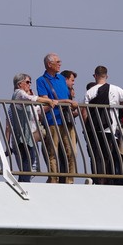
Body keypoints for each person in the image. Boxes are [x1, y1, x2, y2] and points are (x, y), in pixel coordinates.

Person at [84, 66, 123, 182]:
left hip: (94, 128)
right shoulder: (115, 89)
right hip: (110, 128)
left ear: (95, 76)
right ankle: (108, 180)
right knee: (108, 156)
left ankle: (98, 180)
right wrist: (118, 103)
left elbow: (85, 112)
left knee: (96, 156)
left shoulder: (89, 92)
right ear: (106, 76)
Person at [35, 53, 76, 183]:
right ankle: (54, 179)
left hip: (66, 120)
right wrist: (66, 101)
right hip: (53, 120)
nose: (60, 64)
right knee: (53, 152)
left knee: (71, 152)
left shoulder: (61, 78)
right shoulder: (41, 80)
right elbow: (46, 100)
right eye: (57, 62)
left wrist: (69, 103)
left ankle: (70, 180)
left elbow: (66, 96)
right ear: (49, 64)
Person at [9, 72, 56, 182]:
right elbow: (30, 98)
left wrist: (50, 105)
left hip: (28, 134)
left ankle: (24, 182)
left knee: (29, 160)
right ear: (20, 84)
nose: (29, 84)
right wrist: (48, 100)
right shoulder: (18, 93)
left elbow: (37, 110)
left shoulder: (23, 97)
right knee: (27, 161)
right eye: (27, 82)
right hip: (23, 134)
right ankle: (24, 183)